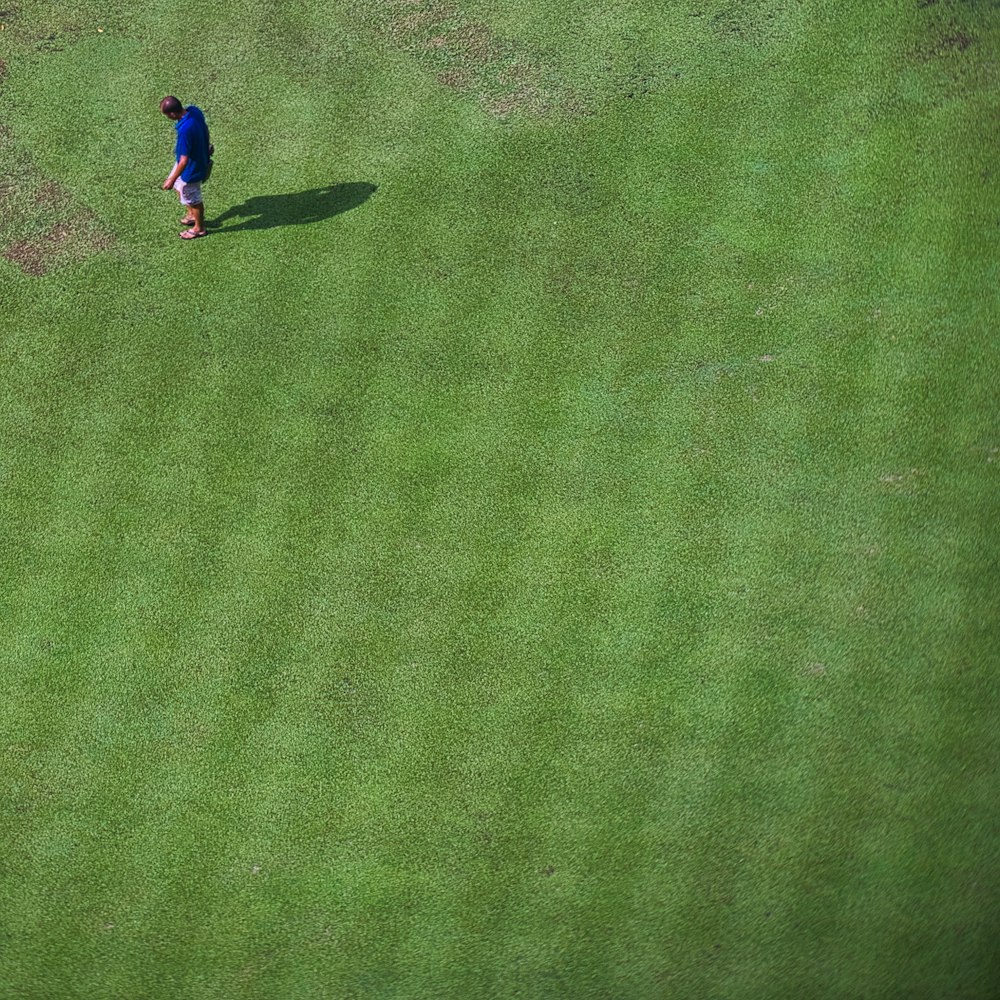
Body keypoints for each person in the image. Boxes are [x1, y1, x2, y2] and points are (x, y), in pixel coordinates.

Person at [160, 96, 213, 240]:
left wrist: (171, 179)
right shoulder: (194, 111)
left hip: (192, 169)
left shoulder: (185, 130)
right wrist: (207, 145)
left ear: (172, 114)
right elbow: (205, 128)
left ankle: (199, 228)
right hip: (193, 160)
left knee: (193, 199)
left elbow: (184, 161)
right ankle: (191, 215)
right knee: (179, 187)